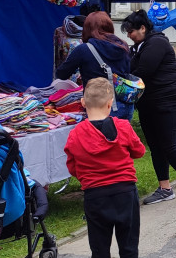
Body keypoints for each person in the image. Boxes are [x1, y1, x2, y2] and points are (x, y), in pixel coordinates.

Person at [121, 10, 176, 205]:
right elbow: (131, 69)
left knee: (169, 146)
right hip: (149, 103)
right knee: (156, 147)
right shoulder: (140, 46)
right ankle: (165, 188)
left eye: (131, 31)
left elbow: (142, 72)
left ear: (143, 28)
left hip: (168, 101)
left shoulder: (156, 43)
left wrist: (122, 80)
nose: (129, 35)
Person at [64, 77, 145, 258]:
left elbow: (72, 166)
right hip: (125, 191)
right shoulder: (123, 127)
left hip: (95, 195)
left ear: (83, 103)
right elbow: (139, 151)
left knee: (99, 249)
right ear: (110, 103)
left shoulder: (75, 134)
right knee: (129, 246)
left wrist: (86, 175)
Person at [56, 11, 132, 119]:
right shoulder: (123, 46)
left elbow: (61, 74)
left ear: (87, 29)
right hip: (125, 105)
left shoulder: (84, 49)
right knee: (122, 135)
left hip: (99, 108)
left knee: (99, 136)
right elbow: (128, 71)